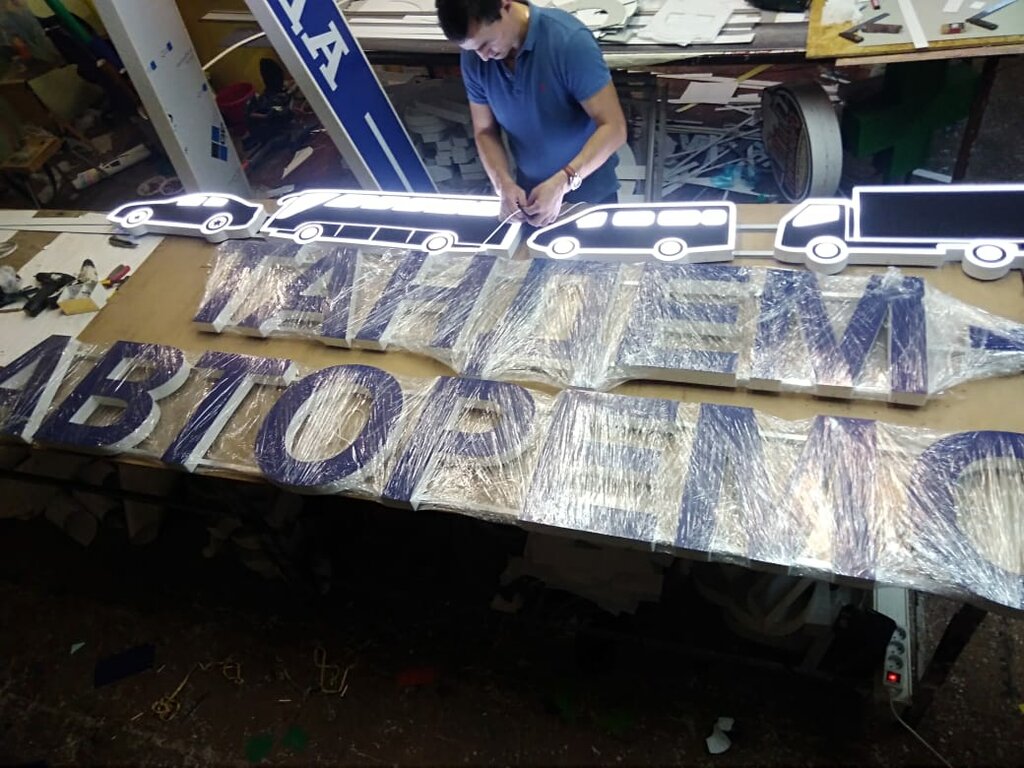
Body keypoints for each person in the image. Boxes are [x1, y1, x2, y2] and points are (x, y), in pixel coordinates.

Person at [435, 0, 627, 227]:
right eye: (473, 49)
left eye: (486, 43)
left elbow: (614, 128)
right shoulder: (475, 57)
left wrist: (563, 181)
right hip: (530, 197)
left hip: (589, 193)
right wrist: (502, 183)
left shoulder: (568, 41)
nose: (484, 57)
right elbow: (485, 130)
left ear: (505, 6)